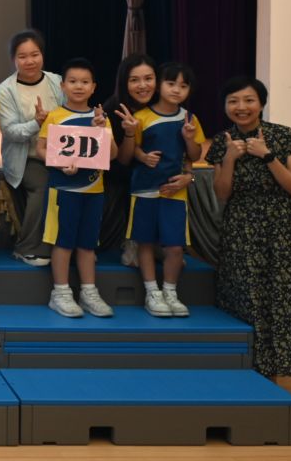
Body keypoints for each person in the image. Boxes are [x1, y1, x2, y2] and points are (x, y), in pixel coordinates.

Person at [207, 77, 291, 378]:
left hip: (283, 230)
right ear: (225, 106)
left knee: (286, 297)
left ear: (262, 104)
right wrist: (230, 159)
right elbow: (222, 193)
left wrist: (267, 156)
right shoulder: (223, 141)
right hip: (241, 230)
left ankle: (279, 371)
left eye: (249, 100)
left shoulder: (284, 135)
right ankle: (249, 372)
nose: (241, 107)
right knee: (246, 297)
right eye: (233, 101)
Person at [117, 62, 205, 317]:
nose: (176, 90)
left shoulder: (189, 119)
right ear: (159, 86)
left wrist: (189, 139)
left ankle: (170, 292)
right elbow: (130, 152)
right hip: (144, 189)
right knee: (144, 244)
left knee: (175, 247)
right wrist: (143, 156)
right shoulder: (142, 117)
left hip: (175, 193)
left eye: (183, 86)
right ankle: (152, 292)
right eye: (171, 83)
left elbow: (195, 155)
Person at [36, 58, 116, 318]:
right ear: (63, 86)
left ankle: (89, 292)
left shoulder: (100, 117)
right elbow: (41, 148)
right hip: (63, 190)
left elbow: (113, 154)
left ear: (93, 87)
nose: (78, 86)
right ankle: (60, 293)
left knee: (87, 245)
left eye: (84, 82)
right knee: (63, 243)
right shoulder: (55, 116)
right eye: (72, 81)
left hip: (93, 191)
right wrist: (59, 164)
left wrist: (103, 131)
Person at [0, 30, 65, 268]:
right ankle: (27, 247)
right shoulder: (6, 90)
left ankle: (74, 246)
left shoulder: (56, 82)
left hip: (58, 153)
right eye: (22, 56)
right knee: (44, 185)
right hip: (26, 158)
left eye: (34, 54)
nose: (30, 61)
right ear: (13, 60)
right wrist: (36, 123)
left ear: (42, 55)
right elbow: (10, 132)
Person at [101, 54, 163, 259]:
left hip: (154, 166)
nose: (143, 85)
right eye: (134, 80)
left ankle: (162, 241)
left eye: (148, 78)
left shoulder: (164, 105)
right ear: (124, 83)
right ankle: (135, 243)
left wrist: (189, 175)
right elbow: (122, 162)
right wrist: (129, 133)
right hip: (122, 170)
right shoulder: (113, 109)